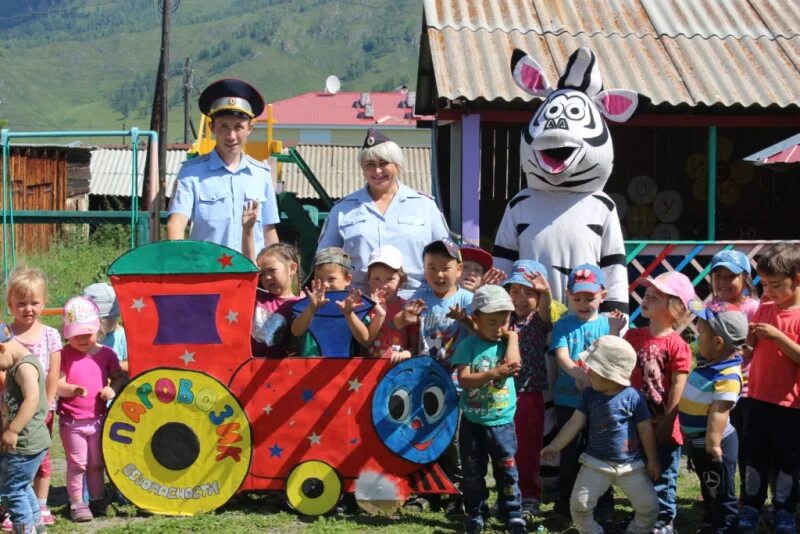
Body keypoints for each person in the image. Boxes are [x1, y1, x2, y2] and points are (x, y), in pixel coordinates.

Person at [542, 336, 660, 534]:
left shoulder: (633, 397)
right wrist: (555, 446)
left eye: (593, 369)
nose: (587, 371)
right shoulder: (590, 395)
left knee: (649, 508)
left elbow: (645, 429)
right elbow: (574, 422)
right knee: (579, 505)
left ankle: (636, 531)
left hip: (630, 464)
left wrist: (653, 459)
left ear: (610, 375)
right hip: (595, 463)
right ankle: (592, 531)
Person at [316, 128, 450, 298]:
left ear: (398, 165)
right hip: (359, 304)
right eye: (370, 165)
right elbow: (323, 260)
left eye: (384, 163)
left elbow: (448, 256)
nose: (377, 171)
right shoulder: (343, 210)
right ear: (363, 170)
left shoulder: (424, 206)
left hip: (415, 302)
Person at [395, 238, 472, 516]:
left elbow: (482, 333)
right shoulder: (420, 297)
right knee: (421, 435)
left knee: (452, 439)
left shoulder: (467, 299)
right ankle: (426, 491)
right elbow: (399, 323)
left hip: (455, 385)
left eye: (445, 267)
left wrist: (465, 320)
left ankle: (457, 492)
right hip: (423, 382)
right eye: (431, 267)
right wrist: (406, 316)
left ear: (459, 269)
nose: (439, 274)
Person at [167, 78, 280, 254]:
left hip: (250, 274)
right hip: (207, 273)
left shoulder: (261, 175)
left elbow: (269, 231)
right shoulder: (191, 173)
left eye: (238, 127)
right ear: (212, 127)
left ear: (250, 128)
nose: (231, 135)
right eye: (224, 126)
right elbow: (176, 224)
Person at [451, 285, 525, 534]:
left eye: (504, 321)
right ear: (476, 319)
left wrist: (512, 337)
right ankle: (476, 512)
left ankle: (512, 512)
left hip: (502, 422)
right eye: (492, 322)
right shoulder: (468, 347)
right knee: (473, 472)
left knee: (507, 469)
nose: (499, 328)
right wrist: (492, 373)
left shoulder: (506, 343)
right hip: (473, 422)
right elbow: (464, 380)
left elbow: (515, 365)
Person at [737, 243, 800, 534]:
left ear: (797, 279)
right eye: (764, 284)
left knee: (788, 461)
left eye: (775, 285)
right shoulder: (763, 309)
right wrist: (746, 347)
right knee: (754, 455)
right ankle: (751, 506)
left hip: (791, 405)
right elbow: (750, 352)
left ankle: (785, 510)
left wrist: (778, 337)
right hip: (757, 397)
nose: (769, 291)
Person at [625, 271, 695, 533]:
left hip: (662, 424)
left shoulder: (678, 345)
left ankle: (664, 520)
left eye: (655, 297)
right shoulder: (633, 337)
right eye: (647, 294)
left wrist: (669, 420)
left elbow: (679, 384)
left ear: (674, 308)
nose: (646, 299)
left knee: (663, 475)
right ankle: (642, 517)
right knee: (638, 472)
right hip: (636, 422)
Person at [549, 264, 615, 519]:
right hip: (569, 401)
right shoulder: (563, 325)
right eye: (577, 298)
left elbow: (613, 353)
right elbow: (561, 354)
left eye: (590, 298)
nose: (584, 303)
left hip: (600, 401)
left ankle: (603, 504)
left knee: (601, 451)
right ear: (568, 295)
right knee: (571, 452)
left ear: (603, 295)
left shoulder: (607, 323)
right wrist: (575, 372)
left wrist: (616, 330)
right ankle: (565, 502)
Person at [679, 300, 747, 534]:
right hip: (701, 443)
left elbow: (719, 410)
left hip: (715, 445)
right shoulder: (711, 364)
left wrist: (713, 442)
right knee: (709, 486)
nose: (696, 340)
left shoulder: (728, 374)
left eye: (701, 336)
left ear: (718, 342)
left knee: (721, 489)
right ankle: (710, 522)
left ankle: (725, 527)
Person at [57, 297, 125, 522]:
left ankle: (96, 499)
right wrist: (71, 389)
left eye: (87, 333)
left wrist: (111, 390)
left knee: (97, 462)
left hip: (98, 419)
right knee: (78, 464)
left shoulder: (106, 354)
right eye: (77, 334)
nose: (83, 339)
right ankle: (77, 502)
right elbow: (57, 383)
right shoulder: (64, 354)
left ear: (98, 328)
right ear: (68, 333)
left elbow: (117, 378)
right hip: (72, 420)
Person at [3, 268, 61, 530]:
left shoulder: (28, 359)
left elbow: (43, 386)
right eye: (21, 303)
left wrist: (46, 408)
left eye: (34, 302)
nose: (28, 308)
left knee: (16, 480)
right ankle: (32, 521)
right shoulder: (9, 338)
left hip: (30, 420)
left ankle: (27, 521)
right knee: (17, 476)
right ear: (10, 305)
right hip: (17, 415)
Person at [503, 259, 553, 517]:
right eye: (514, 291)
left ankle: (530, 496)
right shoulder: (503, 317)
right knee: (503, 448)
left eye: (529, 292)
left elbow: (546, 310)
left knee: (528, 449)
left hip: (529, 393)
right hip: (502, 393)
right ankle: (508, 496)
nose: (520, 298)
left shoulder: (538, 320)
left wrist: (545, 292)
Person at [707, 249, 758, 495]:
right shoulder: (711, 306)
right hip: (716, 385)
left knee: (746, 445)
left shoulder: (753, 309)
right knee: (721, 440)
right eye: (719, 276)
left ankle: (745, 494)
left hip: (745, 388)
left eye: (731, 277)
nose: (724, 282)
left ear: (746, 279)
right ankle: (721, 487)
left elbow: (754, 349)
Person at [0, 322, 51, 534]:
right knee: (21, 486)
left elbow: (32, 399)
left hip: (25, 442)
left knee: (11, 490)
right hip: (28, 441)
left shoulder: (24, 367)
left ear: (1, 348)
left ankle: (24, 529)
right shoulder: (15, 365)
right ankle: (36, 525)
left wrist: (12, 430)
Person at [290, 247, 366, 358]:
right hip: (309, 369)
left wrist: (349, 314)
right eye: (319, 278)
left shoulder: (354, 305)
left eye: (331, 279)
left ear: (348, 279)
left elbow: (365, 339)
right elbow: (296, 331)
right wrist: (311, 309)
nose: (325, 284)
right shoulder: (308, 304)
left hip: (343, 371)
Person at [358, 245, 417, 359]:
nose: (383, 285)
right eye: (376, 279)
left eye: (389, 279)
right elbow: (363, 341)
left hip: (398, 370)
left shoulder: (407, 308)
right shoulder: (363, 307)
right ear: (368, 281)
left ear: (401, 281)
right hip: (367, 371)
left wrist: (407, 353)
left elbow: (414, 346)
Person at [251, 243, 303, 358]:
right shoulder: (257, 297)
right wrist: (247, 231)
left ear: (292, 268)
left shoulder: (300, 304)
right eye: (262, 274)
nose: (267, 277)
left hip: (279, 371)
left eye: (272, 270)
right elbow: (250, 269)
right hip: (250, 367)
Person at [82, 283, 128, 373]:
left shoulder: (122, 336)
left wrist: (111, 364)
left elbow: (130, 365)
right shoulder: (86, 335)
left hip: (115, 383)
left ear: (114, 318)